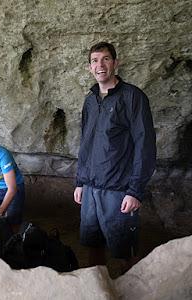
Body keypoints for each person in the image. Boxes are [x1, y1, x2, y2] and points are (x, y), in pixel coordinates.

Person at [74, 42, 156, 271]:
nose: (100, 65)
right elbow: (86, 143)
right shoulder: (90, 100)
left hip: (119, 190)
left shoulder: (133, 97)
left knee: (124, 252)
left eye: (106, 59)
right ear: (90, 67)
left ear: (115, 63)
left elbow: (145, 146)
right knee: (93, 246)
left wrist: (135, 191)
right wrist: (80, 181)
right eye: (95, 60)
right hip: (90, 188)